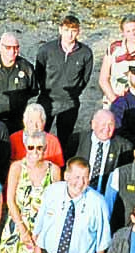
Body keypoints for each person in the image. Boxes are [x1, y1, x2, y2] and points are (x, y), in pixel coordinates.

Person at [33, 14, 94, 154]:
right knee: (39, 136)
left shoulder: (85, 53)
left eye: (73, 30)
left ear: (78, 31)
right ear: (60, 30)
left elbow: (85, 77)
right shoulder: (46, 50)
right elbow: (39, 72)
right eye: (66, 30)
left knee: (64, 140)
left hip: (70, 102)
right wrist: (46, 90)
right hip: (47, 100)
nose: (70, 34)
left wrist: (74, 93)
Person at [73, 109, 132, 194]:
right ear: (93, 124)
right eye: (103, 124)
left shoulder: (124, 146)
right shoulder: (77, 140)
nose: (107, 128)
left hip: (105, 196)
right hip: (78, 192)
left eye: (111, 124)